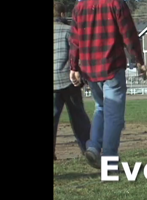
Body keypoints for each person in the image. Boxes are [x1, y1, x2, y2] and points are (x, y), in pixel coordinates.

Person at [69, 0, 147, 169]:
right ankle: (110, 159)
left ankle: (93, 146)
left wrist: (74, 66)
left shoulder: (79, 8)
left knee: (101, 107)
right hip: (112, 66)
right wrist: (139, 60)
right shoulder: (116, 4)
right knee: (114, 116)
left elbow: (75, 40)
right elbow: (129, 34)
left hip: (90, 69)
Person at [54, 1, 91, 161]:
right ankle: (88, 149)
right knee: (78, 117)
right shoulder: (69, 30)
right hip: (69, 80)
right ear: (62, 14)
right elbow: (78, 55)